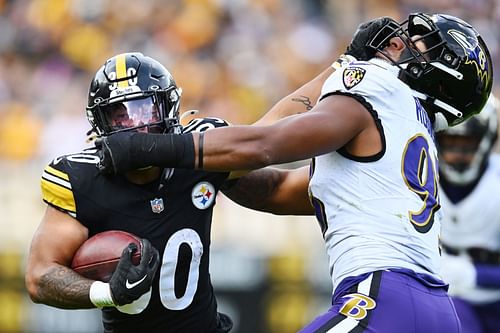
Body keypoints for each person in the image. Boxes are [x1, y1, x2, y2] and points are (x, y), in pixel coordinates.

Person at [95, 13, 493, 332]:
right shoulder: (405, 129)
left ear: (444, 74)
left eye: (419, 44)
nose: (399, 42)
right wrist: (213, 172)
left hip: (383, 299)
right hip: (436, 312)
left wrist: (153, 148)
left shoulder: (380, 89)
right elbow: (274, 188)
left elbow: (265, 145)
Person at [25, 37, 371, 333]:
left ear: (170, 109)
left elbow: (274, 129)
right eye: (120, 116)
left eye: (145, 111)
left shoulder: (199, 148)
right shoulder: (82, 177)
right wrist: (106, 293)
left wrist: (346, 63)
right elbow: (40, 276)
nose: (136, 127)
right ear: (100, 123)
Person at [437, 95, 500, 333]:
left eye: (467, 144)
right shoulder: (420, 181)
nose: (457, 155)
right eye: (449, 143)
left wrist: (475, 275)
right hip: (451, 304)